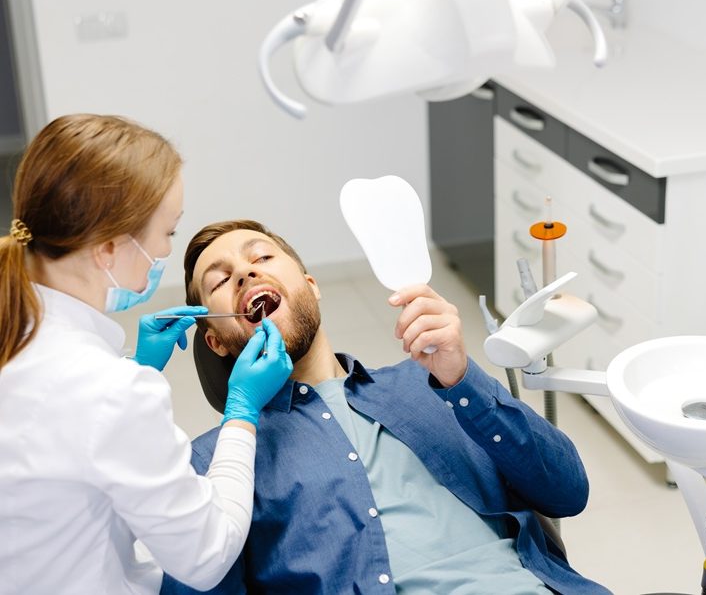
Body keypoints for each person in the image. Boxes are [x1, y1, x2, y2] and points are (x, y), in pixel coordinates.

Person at [161, 219, 612, 595]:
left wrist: (462, 379)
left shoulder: (431, 381)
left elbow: (568, 492)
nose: (245, 273)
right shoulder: (212, 464)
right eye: (221, 280)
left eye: (261, 257)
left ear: (312, 287)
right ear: (215, 341)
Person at [0, 116, 293, 594]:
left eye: (262, 258)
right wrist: (241, 414)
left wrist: (135, 367)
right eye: (169, 232)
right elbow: (206, 556)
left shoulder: (50, 351)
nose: (166, 250)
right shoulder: (106, 390)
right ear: (109, 248)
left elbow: (70, 437)